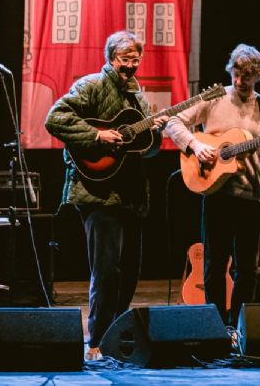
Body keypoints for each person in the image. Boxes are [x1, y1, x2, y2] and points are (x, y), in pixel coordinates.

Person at [44, 30, 168, 360]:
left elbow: (143, 150)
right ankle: (96, 340)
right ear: (111, 58)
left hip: (130, 195)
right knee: (106, 270)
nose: (131, 65)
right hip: (98, 193)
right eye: (125, 59)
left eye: (135, 59)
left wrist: (155, 133)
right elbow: (55, 118)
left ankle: (116, 334)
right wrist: (97, 136)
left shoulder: (137, 97)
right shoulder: (91, 85)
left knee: (129, 272)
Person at [166, 44, 260, 326]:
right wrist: (195, 145)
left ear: (257, 76)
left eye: (247, 77)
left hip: (254, 195)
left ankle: (240, 326)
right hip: (217, 192)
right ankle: (217, 325)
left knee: (247, 268)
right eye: (236, 74)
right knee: (214, 264)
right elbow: (174, 121)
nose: (240, 81)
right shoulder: (215, 97)